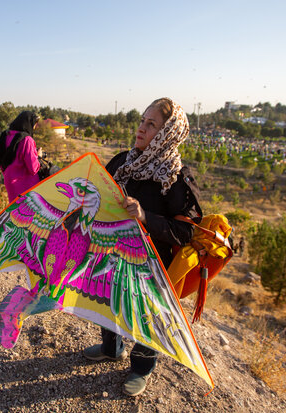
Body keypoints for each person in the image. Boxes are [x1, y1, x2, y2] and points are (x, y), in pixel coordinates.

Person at [83, 98, 202, 397]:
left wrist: (146, 217)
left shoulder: (175, 178)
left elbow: (186, 231)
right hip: (112, 253)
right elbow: (98, 189)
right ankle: (112, 349)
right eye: (142, 121)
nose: (141, 128)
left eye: (152, 124)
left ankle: (141, 367)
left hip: (151, 264)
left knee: (147, 314)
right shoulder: (123, 161)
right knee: (109, 301)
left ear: (168, 133)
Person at [0, 111, 42, 202]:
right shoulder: (27, 140)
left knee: (15, 212)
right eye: (34, 124)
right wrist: (38, 156)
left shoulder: (4, 136)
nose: (35, 127)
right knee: (29, 213)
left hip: (10, 182)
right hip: (26, 185)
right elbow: (33, 168)